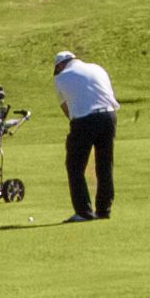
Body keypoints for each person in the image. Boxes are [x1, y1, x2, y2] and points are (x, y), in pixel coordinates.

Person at [51, 47, 117, 221]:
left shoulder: (60, 78)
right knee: (104, 164)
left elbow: (66, 108)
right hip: (109, 117)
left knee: (74, 166)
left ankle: (83, 212)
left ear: (60, 65)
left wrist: (75, 126)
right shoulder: (97, 68)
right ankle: (104, 210)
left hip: (84, 120)